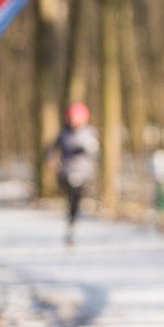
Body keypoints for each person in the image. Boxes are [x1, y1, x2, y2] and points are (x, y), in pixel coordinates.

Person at [46, 102, 99, 244]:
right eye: (71, 118)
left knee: (77, 200)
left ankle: (72, 222)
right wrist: (52, 159)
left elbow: (95, 151)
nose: (73, 121)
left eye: (77, 118)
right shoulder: (63, 133)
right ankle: (71, 223)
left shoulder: (89, 132)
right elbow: (51, 148)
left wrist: (87, 150)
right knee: (72, 196)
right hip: (67, 171)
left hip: (84, 172)